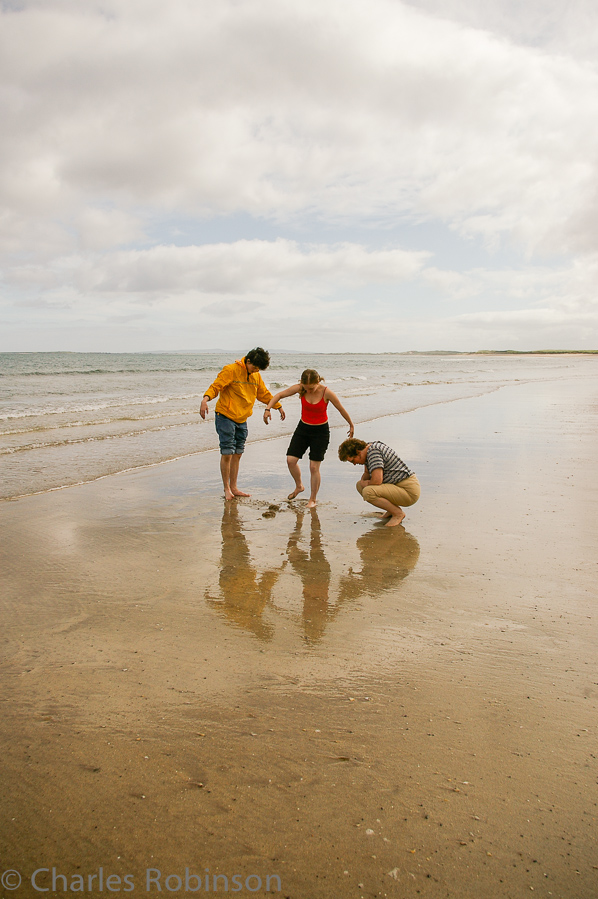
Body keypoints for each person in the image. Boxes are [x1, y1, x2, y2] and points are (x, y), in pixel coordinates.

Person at [200, 348, 285, 500]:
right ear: (248, 361)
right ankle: (226, 489)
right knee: (227, 453)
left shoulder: (256, 375)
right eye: (254, 367)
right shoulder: (231, 370)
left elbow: (263, 393)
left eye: (259, 369)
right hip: (225, 416)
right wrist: (205, 400)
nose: (256, 371)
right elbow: (216, 386)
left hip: (242, 419)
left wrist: (277, 406)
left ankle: (234, 487)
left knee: (238, 453)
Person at [264, 369, 354, 508]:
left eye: (311, 388)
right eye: (306, 388)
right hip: (303, 429)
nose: (309, 391)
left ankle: (312, 499)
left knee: (313, 467)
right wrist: (268, 409)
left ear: (318, 382)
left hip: (320, 432)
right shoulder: (301, 388)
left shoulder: (326, 392)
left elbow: (340, 408)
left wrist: (351, 424)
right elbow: (279, 394)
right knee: (291, 460)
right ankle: (299, 486)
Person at [338, 437, 420, 527]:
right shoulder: (368, 450)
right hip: (397, 486)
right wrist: (363, 482)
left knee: (368, 492)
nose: (354, 464)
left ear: (358, 452)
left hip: (408, 490)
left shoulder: (373, 452)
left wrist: (365, 483)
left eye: (353, 460)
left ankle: (398, 514)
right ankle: (391, 510)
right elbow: (367, 474)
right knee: (360, 486)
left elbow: (377, 480)